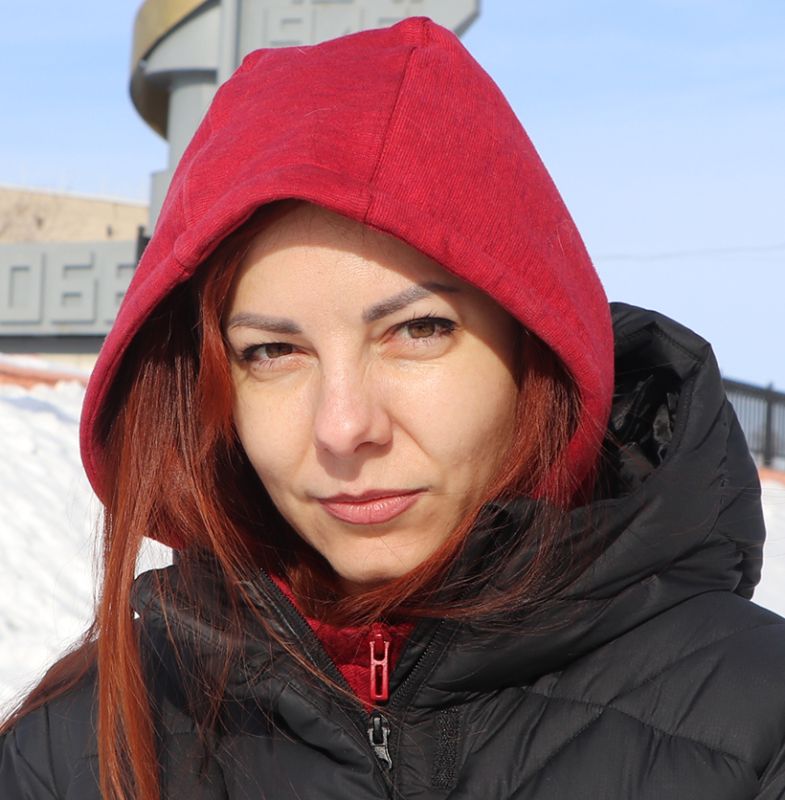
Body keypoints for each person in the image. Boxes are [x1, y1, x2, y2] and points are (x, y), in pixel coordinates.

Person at [2, 16, 784, 800]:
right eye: (272, 351)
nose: (343, 428)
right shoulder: (73, 750)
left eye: (418, 330)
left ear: (532, 350)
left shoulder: (758, 727)